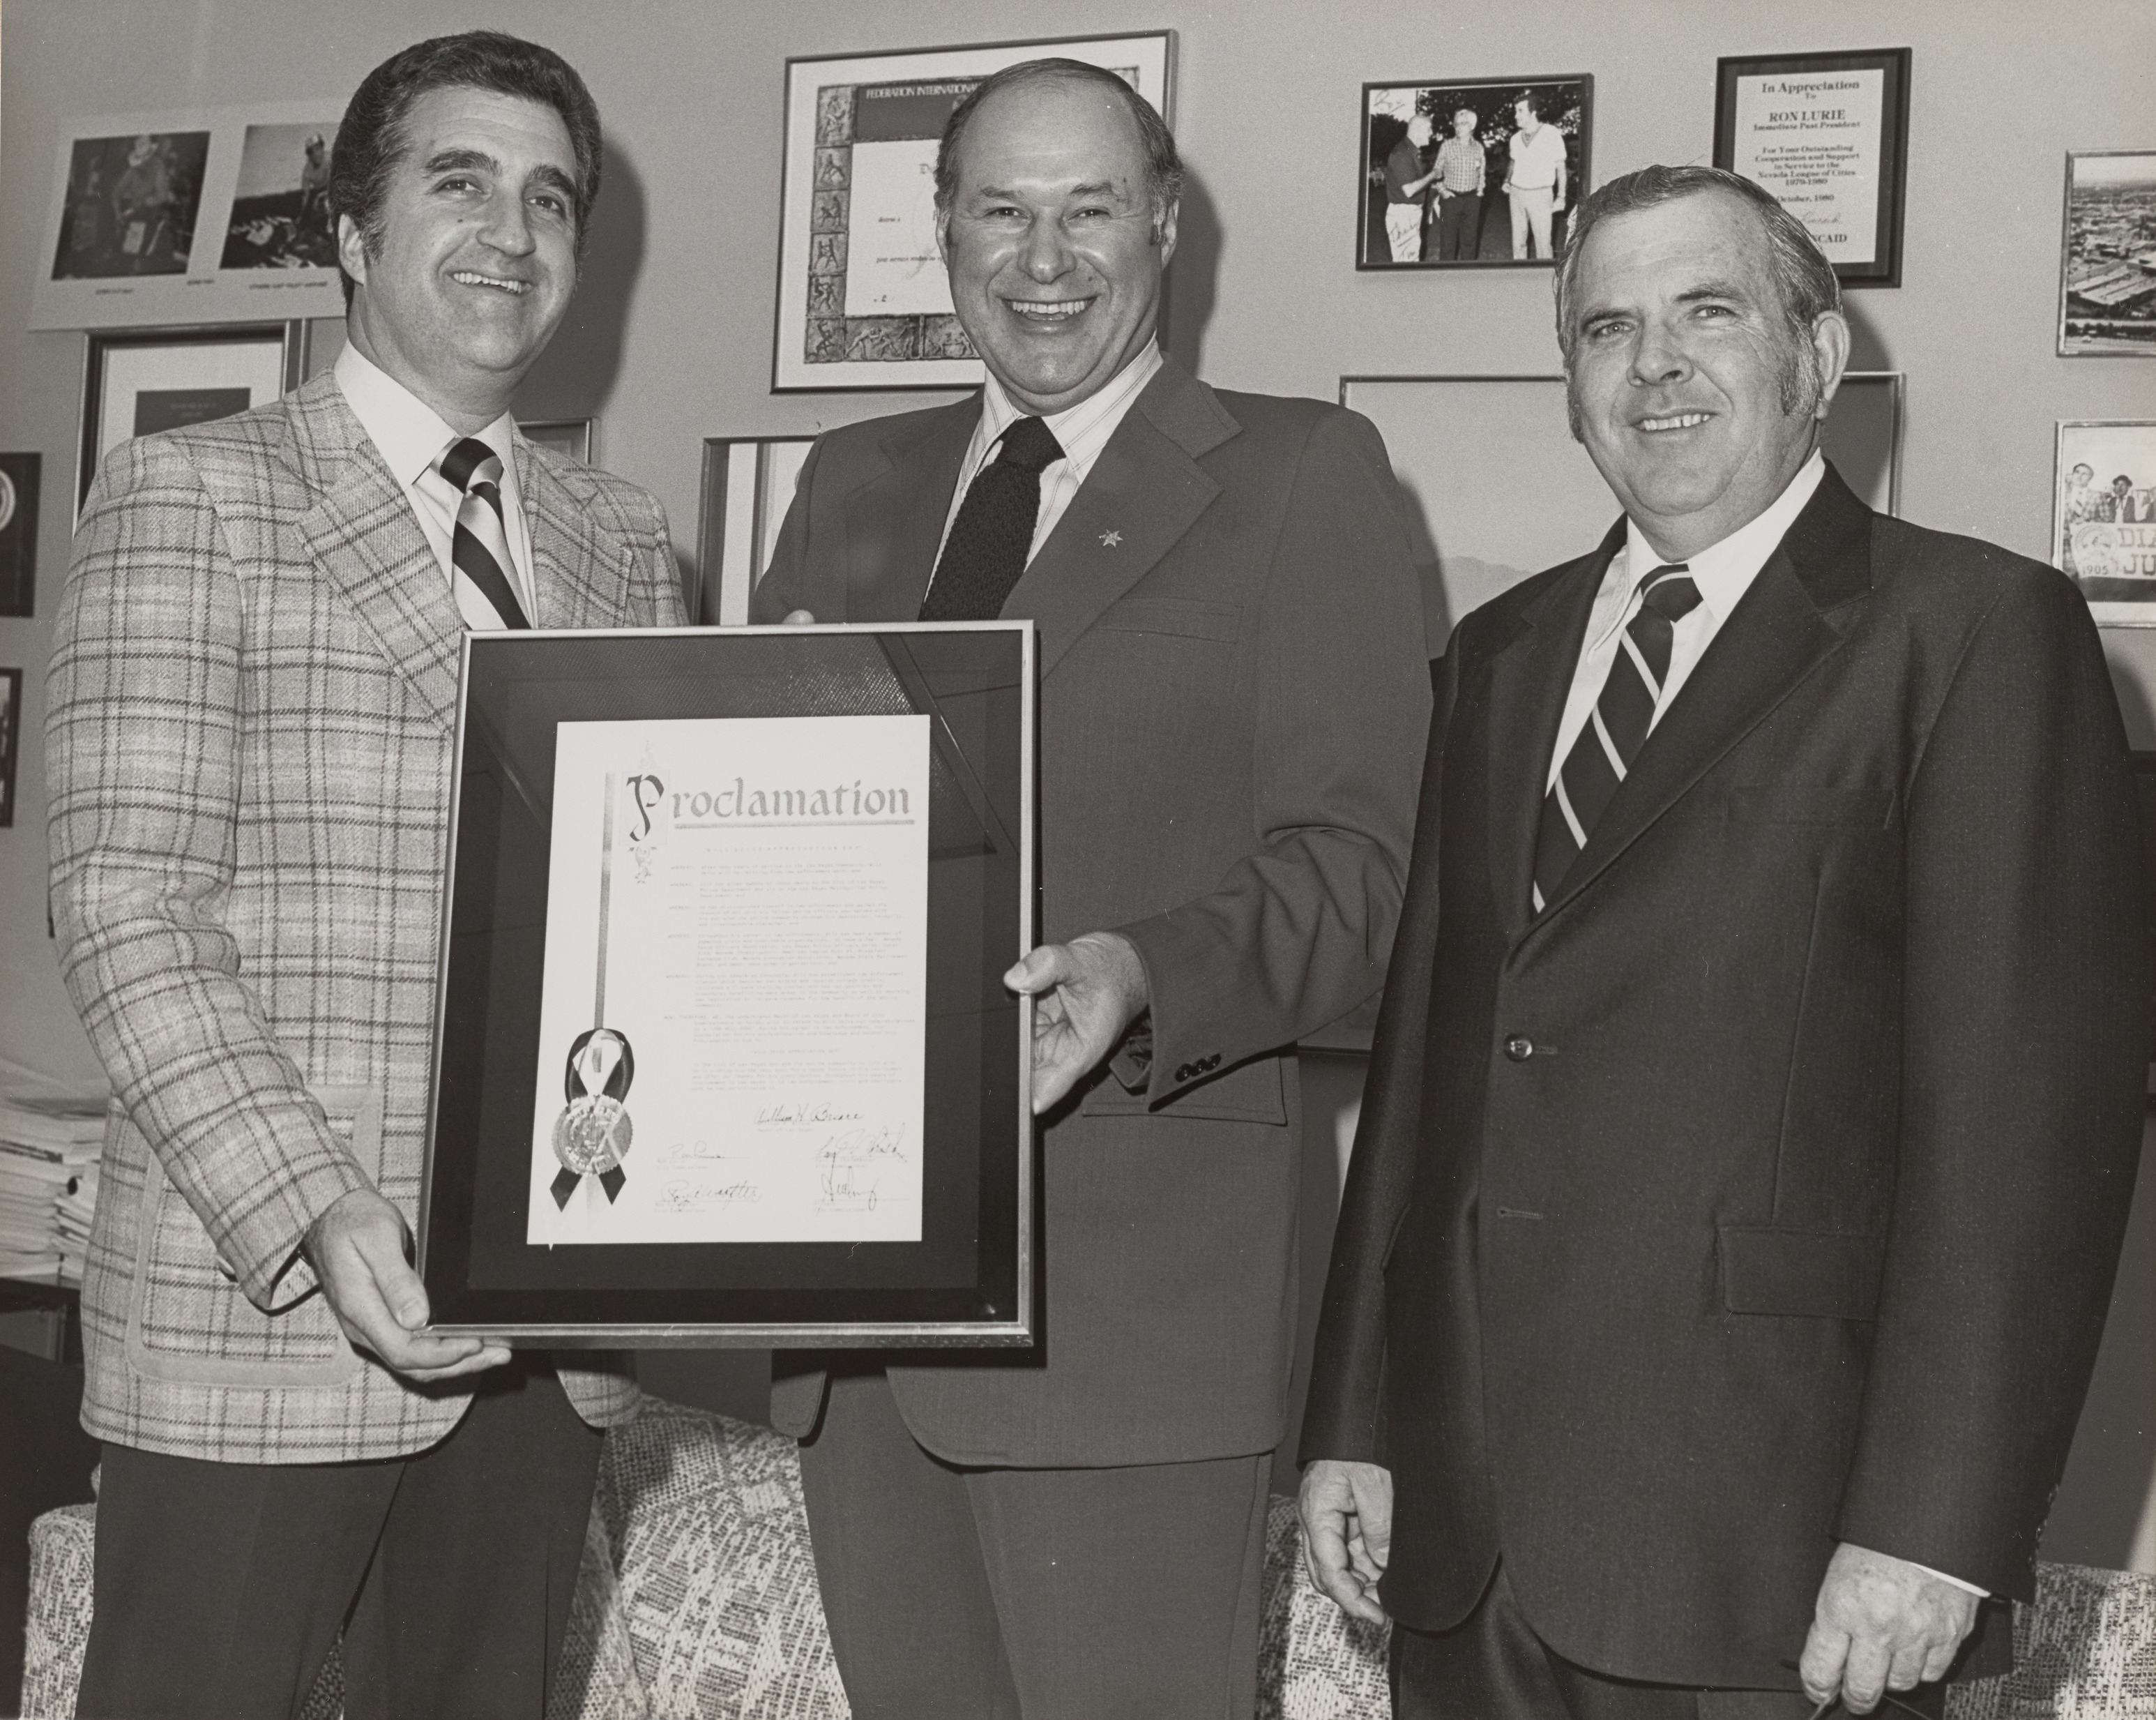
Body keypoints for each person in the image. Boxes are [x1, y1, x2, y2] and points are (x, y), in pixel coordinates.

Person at [1298, 163, 2147, 1720]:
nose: (1655, 364)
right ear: (1570, 389)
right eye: (1605, 328)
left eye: (1708, 312)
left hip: (1773, 1554)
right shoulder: (1497, 655)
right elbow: (1430, 1054)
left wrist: (1930, 1530)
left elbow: (2023, 1136)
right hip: (1466, 1530)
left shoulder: (1973, 635)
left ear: (1817, 360)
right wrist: (1353, 1409)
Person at [753, 56, 1429, 1720]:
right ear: (942, 232)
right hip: (855, 1321)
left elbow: (1366, 875)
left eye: (1089, 210)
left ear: (1166, 227)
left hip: (1127, 1315)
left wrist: (1146, 971)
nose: (1043, 257)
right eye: (1000, 209)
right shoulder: (851, 482)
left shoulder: (1303, 475)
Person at [47, 31, 685, 1719]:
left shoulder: (627, 544)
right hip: (263, 1318)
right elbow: (126, 902)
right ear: (346, 229)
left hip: (545, 1338)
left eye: (552, 199)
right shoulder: (193, 493)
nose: (512, 232)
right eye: (457, 182)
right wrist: (317, 1208)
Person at [1503, 92, 1567, 259]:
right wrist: (1507, 181)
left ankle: (1543, 281)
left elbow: (1561, 167)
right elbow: (1513, 162)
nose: (1516, 116)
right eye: (1515, 111)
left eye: (1520, 111)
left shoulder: (1551, 133)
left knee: (1543, 245)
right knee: (1518, 244)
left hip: (1541, 195)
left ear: (1533, 113)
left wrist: (1561, 196)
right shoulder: (1515, 139)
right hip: (1516, 194)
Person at [1383, 112, 1440, 262]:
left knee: (1411, 260)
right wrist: (1432, 175)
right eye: (1429, 129)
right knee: (1405, 265)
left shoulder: (1412, 152)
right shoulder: (1402, 153)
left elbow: (1417, 183)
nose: (1431, 133)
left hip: (1410, 214)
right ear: (1417, 130)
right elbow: (1409, 190)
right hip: (1403, 215)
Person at [1433, 107, 1487, 261]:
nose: (1458, 126)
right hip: (1451, 199)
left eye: (1463, 123)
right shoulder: (1447, 146)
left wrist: (1480, 191)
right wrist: (1442, 190)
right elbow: (1436, 171)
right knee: (1447, 244)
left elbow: (1482, 172)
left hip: (1472, 200)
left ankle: (1467, 278)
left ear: (1472, 126)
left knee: (1469, 242)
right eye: (1456, 123)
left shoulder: (1479, 148)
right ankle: (1446, 279)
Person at [2060, 460, 2102, 571]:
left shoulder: (2097, 496)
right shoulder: (2061, 495)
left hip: (2087, 546)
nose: (2080, 476)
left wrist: (2088, 521)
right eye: (2077, 472)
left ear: (2090, 478)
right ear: (2073, 474)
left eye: (2085, 474)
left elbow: (2108, 519)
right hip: (2064, 545)